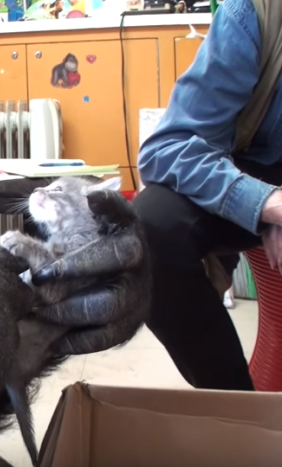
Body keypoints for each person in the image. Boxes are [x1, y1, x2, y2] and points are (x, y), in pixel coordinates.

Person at [135, 0, 282, 391]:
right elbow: (166, 148)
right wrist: (267, 204)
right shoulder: (252, 15)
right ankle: (235, 411)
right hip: (251, 164)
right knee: (152, 227)